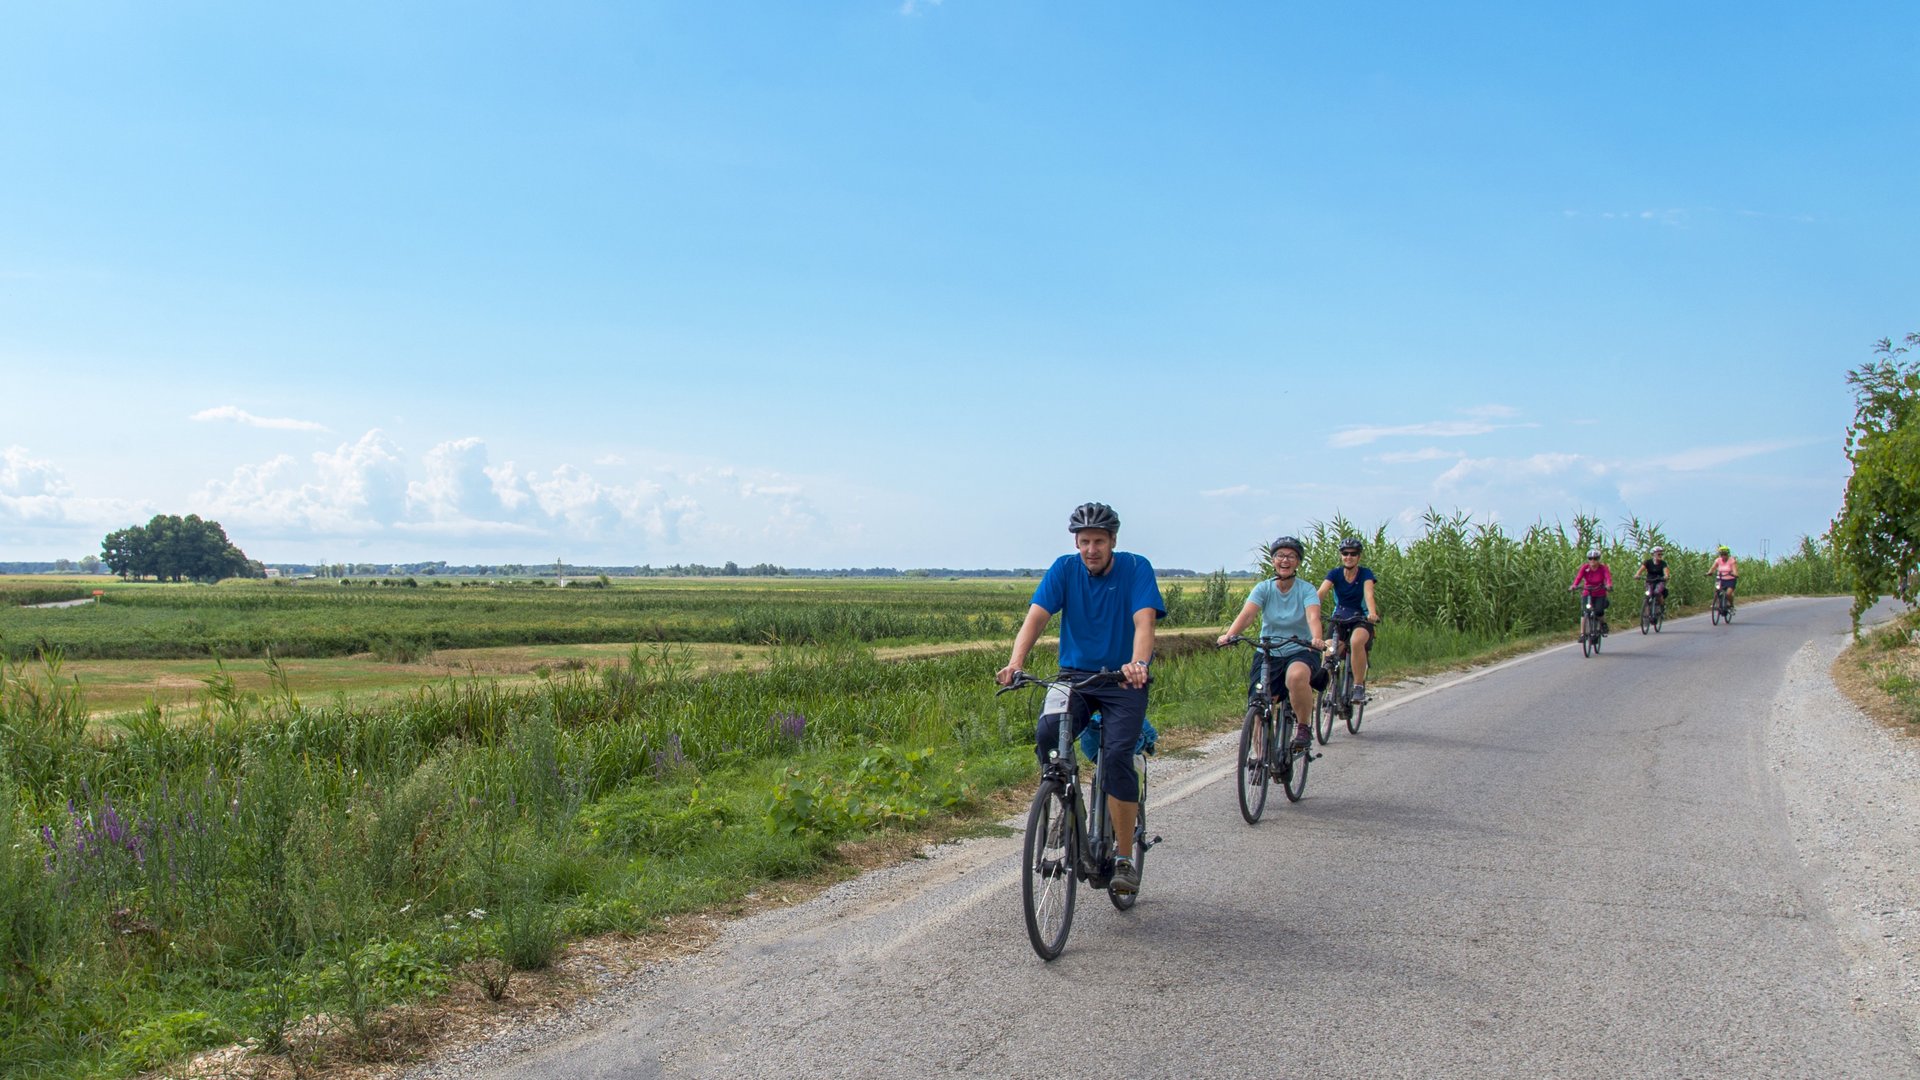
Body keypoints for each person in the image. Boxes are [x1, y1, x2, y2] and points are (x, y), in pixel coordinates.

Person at [998, 502, 1164, 895]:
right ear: (1076, 542)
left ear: (1113, 542)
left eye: (1099, 541)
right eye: (1085, 541)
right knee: (1047, 731)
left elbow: (1145, 621)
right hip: (1075, 678)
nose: (1092, 549)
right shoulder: (1064, 569)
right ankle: (1063, 796)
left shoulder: (1136, 567)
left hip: (1123, 681)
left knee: (1117, 758)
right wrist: (1016, 661)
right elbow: (1037, 616)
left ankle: (1123, 857)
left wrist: (1138, 662)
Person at [1217, 536, 1325, 751]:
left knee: (1296, 677)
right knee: (1259, 701)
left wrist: (1316, 638)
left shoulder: (1306, 589)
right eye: (1280, 556)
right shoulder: (1263, 588)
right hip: (1268, 651)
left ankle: (1303, 727)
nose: (1285, 560)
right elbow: (1247, 615)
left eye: (1291, 556)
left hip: (1300, 649)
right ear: (1273, 560)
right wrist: (1229, 635)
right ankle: (1260, 757)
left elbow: (1313, 616)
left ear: (1298, 562)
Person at [1316, 536, 1381, 703]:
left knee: (1356, 641)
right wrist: (1312, 611)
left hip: (1361, 617)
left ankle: (1358, 686)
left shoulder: (1365, 573)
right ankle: (1330, 687)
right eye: (1345, 553)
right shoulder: (1335, 573)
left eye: (1353, 554)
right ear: (1341, 555)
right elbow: (1321, 592)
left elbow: (1369, 594)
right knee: (1329, 649)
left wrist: (1372, 614)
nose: (1349, 557)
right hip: (1340, 616)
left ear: (1359, 557)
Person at [1570, 547, 1612, 636]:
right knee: (1584, 611)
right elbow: (1578, 577)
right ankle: (1582, 634)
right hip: (1587, 591)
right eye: (1590, 558)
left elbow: (1608, 577)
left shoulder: (1603, 568)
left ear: (1598, 559)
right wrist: (1574, 585)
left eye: (1595, 558)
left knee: (1599, 611)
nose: (1593, 561)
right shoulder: (1585, 568)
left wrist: (1608, 585)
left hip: (1599, 592)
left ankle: (1603, 624)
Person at [1634, 546, 1670, 615]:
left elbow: (1666, 572)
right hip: (1649, 580)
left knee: (1657, 592)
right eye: (1658, 554)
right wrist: (1637, 575)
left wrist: (1666, 576)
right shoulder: (1648, 562)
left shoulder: (1663, 563)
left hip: (1660, 581)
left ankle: (1662, 607)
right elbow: (1641, 570)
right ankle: (1647, 613)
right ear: (1653, 554)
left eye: (1661, 554)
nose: (1660, 556)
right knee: (1648, 594)